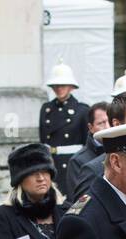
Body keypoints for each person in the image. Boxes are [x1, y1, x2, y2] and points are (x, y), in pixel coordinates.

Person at [39, 61, 89, 196]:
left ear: (71, 87)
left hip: (71, 163)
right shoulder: (46, 109)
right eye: (56, 85)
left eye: (63, 85)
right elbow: (43, 140)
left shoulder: (82, 110)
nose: (59, 88)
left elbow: (87, 145)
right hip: (50, 163)